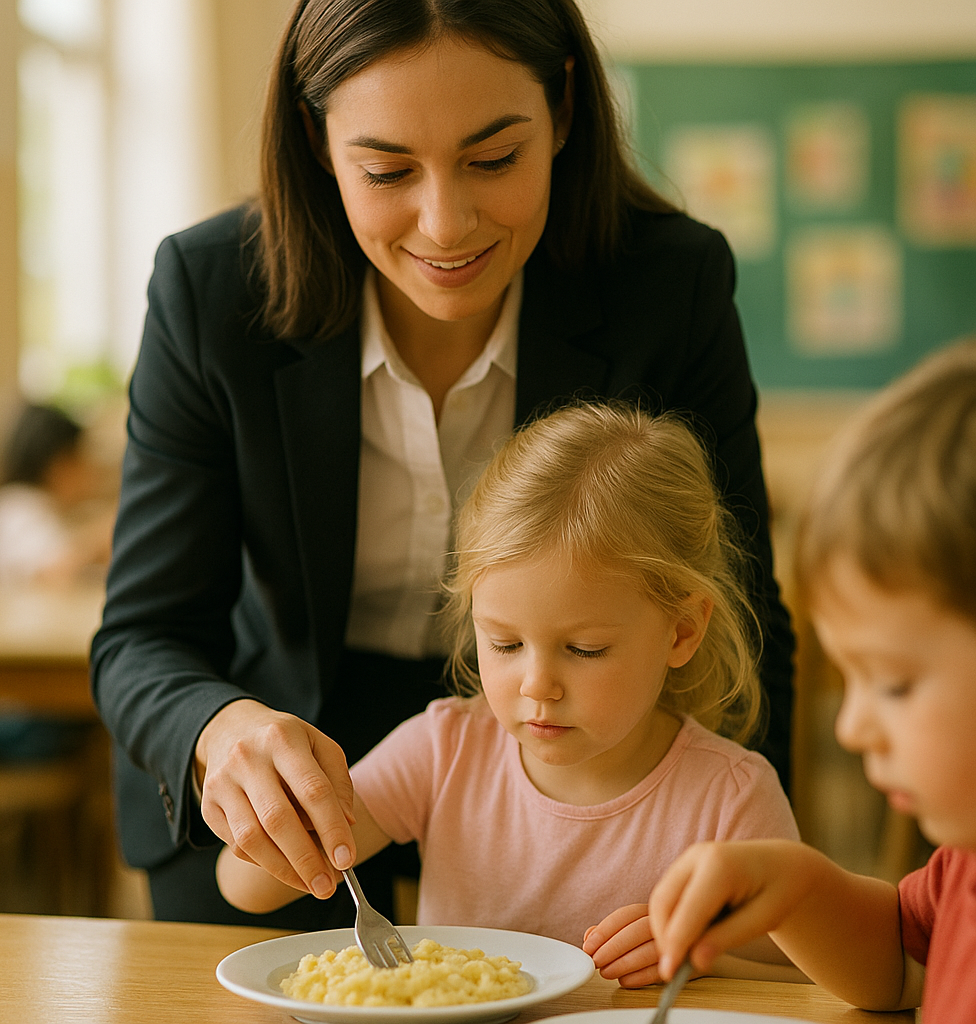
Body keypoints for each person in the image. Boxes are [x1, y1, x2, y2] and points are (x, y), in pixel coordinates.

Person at [91, 0, 796, 929]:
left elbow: (741, 604)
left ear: (564, 109)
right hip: (285, 754)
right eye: (387, 171)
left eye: (494, 159)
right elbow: (144, 635)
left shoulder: (668, 284)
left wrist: (758, 880)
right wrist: (221, 732)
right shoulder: (213, 290)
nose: (446, 223)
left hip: (585, 749)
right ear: (316, 138)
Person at [217, 403, 801, 984]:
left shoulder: (731, 796)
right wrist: (285, 799)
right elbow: (245, 888)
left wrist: (703, 958)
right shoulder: (444, 750)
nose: (536, 685)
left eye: (585, 649)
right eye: (505, 644)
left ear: (682, 631)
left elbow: (811, 977)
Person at [645, 339, 976, 1021]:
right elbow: (902, 961)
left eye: (894, 683)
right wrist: (795, 887)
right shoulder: (963, 867)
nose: (850, 726)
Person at [0, 402, 113, 588]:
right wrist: (102, 533)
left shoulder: (43, 506)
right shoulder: (16, 506)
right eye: (81, 458)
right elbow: (52, 571)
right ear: (59, 464)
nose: (91, 471)